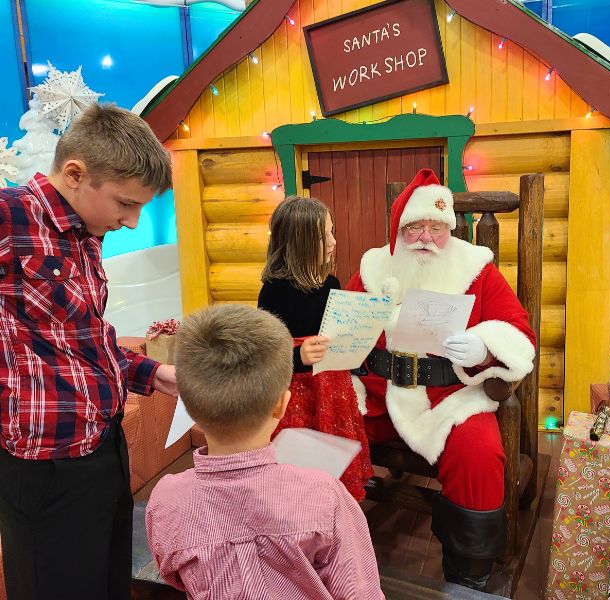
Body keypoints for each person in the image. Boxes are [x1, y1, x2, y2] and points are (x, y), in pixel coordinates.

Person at [0, 103, 177, 600]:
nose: (133, 221)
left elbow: (83, 341)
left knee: (105, 582)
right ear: (76, 174)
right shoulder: (12, 215)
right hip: (46, 464)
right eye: (125, 204)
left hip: (101, 446)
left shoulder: (85, 236)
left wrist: (153, 372)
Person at [346, 168, 537, 591]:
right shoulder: (374, 265)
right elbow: (347, 332)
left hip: (449, 395)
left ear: (450, 228)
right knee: (326, 428)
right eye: (415, 227)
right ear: (400, 229)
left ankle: (469, 574)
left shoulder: (476, 269)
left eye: (436, 227)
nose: (426, 237)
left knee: (479, 454)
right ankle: (332, 541)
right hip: (377, 392)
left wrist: (486, 347)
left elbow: (519, 334)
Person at [146, 304, 384, 600]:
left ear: (189, 408)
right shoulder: (325, 496)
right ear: (281, 406)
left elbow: (177, 578)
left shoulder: (166, 501)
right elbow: (360, 593)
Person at [257, 195, 372, 500]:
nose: (333, 241)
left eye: (332, 231)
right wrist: (298, 355)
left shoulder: (331, 282)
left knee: (333, 457)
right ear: (300, 242)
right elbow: (265, 353)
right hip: (296, 391)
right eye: (324, 235)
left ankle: (336, 506)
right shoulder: (273, 292)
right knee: (300, 468)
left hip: (331, 386)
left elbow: (335, 331)